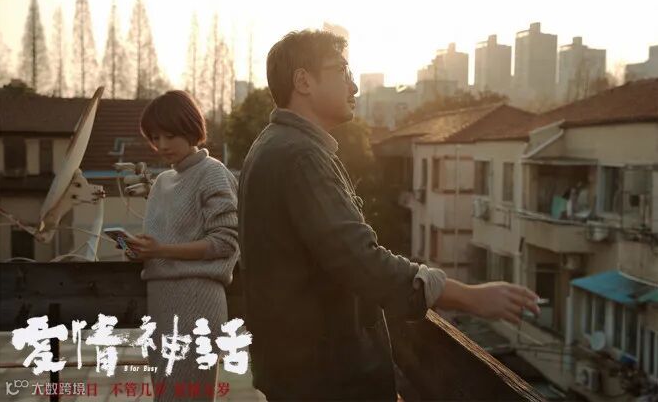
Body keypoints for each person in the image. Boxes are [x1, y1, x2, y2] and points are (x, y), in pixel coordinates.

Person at [237, 30, 540, 401]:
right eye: (342, 71)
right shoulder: (301, 156)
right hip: (325, 379)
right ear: (303, 81)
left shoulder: (272, 145)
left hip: (296, 371)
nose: (354, 86)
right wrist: (467, 296)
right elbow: (361, 261)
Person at [127, 90, 239, 402]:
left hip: (197, 300)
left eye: (170, 135)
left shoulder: (213, 172)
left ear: (191, 130)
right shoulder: (162, 182)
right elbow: (161, 241)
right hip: (160, 301)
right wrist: (140, 250)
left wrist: (160, 250)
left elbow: (225, 242)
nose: (162, 145)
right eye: (155, 137)